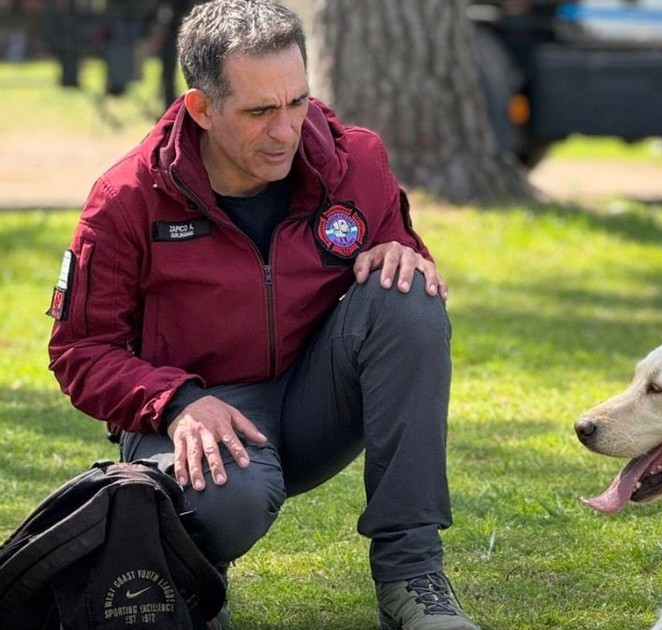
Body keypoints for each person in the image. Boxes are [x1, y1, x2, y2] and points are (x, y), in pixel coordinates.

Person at [46, 1, 477, 628]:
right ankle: (193, 578)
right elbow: (80, 350)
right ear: (202, 108)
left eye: (297, 102)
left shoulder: (357, 163)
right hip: (195, 419)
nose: (286, 131)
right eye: (259, 112)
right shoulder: (127, 198)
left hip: (312, 403)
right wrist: (176, 402)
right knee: (227, 503)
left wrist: (402, 253)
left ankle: (412, 577)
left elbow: (404, 266)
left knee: (407, 297)